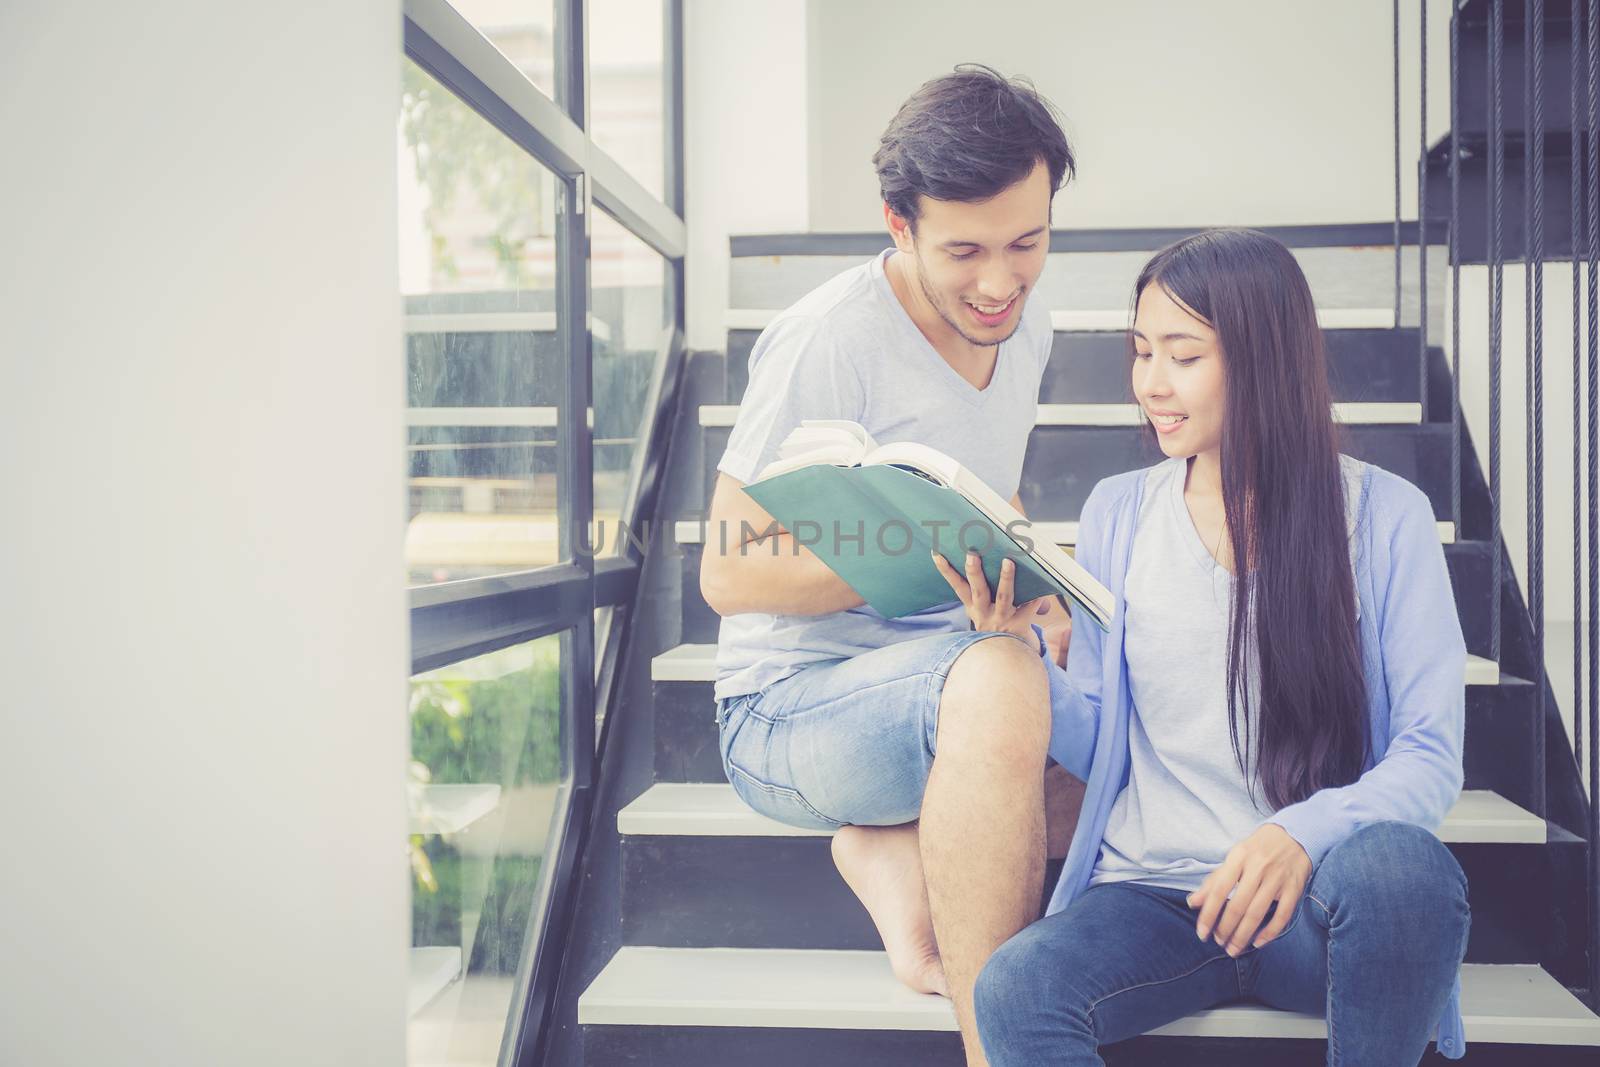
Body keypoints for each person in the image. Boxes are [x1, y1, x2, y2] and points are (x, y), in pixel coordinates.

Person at [948, 228, 1471, 1065]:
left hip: (1311, 903)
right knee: (1014, 986)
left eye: (1183, 355)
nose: (1151, 383)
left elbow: (1430, 755)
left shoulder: (1385, 516)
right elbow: (1099, 742)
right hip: (1157, 898)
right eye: (1142, 350)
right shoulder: (1118, 512)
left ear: (1262, 361)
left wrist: (1299, 834)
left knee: (1407, 873)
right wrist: (1020, 659)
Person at [699, 64, 1079, 1065]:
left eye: (1027, 243)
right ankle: (1003, 1041)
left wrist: (1024, 580)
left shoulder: (1026, 326)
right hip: (789, 707)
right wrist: (913, 549)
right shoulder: (832, 338)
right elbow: (727, 573)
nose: (999, 282)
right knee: (1002, 680)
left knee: (1111, 674)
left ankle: (907, 873)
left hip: (932, 676)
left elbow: (983, 500)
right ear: (898, 225)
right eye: (964, 251)